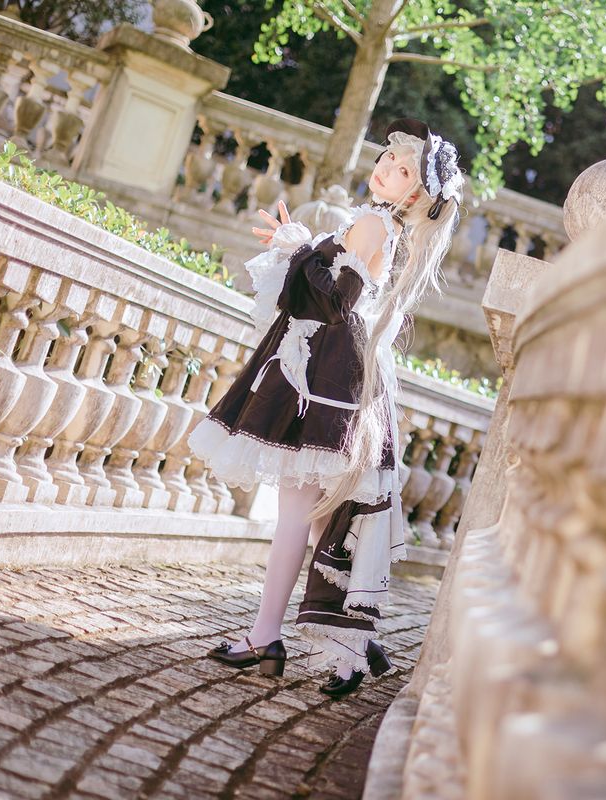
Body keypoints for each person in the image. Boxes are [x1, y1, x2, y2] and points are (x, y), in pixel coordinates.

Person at [187, 118, 463, 697]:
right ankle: (355, 641)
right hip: (333, 373)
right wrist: (304, 249)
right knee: (320, 519)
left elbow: (336, 301)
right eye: (388, 158)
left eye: (402, 170)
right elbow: (336, 296)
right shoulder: (382, 225)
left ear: (416, 194)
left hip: (324, 379)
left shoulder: (373, 223)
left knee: (299, 514)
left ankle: (266, 638)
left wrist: (299, 249)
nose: (385, 169)